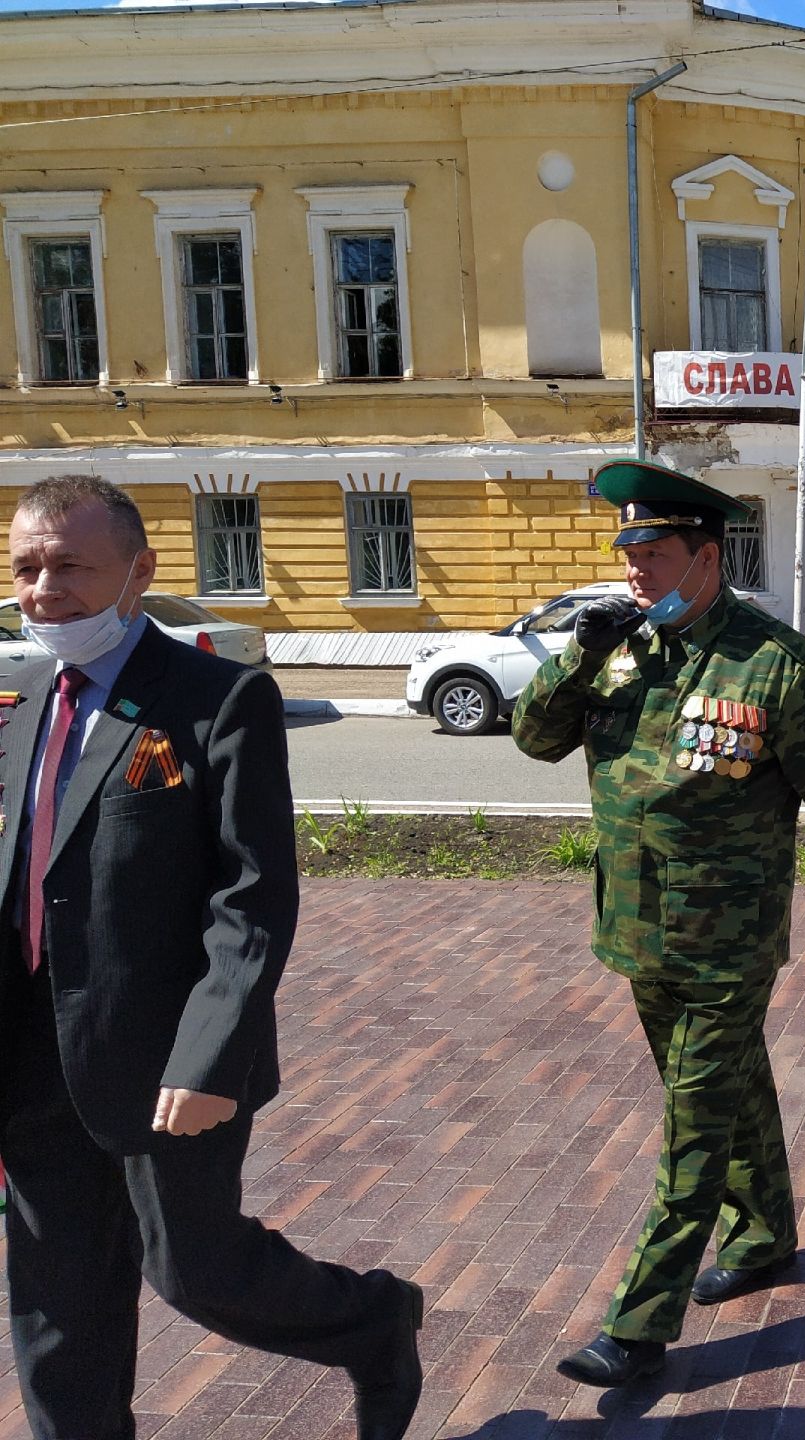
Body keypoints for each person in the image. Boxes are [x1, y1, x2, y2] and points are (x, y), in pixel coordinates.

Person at [0, 475, 423, 1440]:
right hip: (27, 1056)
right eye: (26, 567)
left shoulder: (219, 699)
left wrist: (209, 1059)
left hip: (162, 1056)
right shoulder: (12, 696)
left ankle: (373, 1320)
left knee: (200, 1273)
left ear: (138, 572)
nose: (42, 591)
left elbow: (251, 901)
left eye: (69, 566)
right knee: (56, 1298)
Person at [512, 459, 805, 1386]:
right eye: (625, 550)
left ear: (705, 555)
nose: (633, 569)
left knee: (691, 1125)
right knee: (727, 1095)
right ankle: (764, 1235)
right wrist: (577, 653)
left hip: (728, 941)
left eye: (652, 551)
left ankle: (639, 1325)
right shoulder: (621, 650)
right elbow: (534, 738)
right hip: (638, 930)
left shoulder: (775, 662)